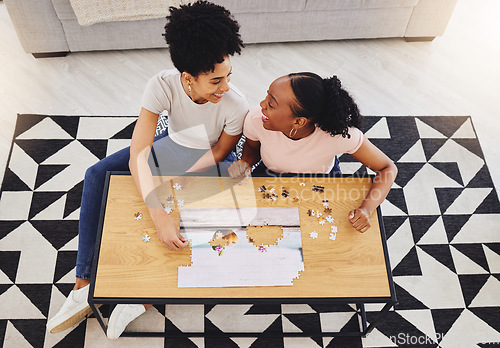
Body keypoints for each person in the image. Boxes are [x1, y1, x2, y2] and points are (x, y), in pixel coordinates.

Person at [47, 0, 248, 339]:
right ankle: (83, 283)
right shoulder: (162, 84)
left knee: (188, 210)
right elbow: (139, 153)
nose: (225, 86)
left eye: (229, 76)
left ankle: (143, 298)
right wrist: (158, 213)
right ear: (188, 78)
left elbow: (220, 152)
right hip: (175, 145)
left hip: (214, 159)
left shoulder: (235, 103)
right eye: (215, 80)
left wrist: (174, 179)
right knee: (98, 174)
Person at [228, 72, 397, 233]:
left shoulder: (338, 136)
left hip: (321, 180)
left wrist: (366, 210)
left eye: (271, 104)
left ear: (299, 121)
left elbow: (387, 168)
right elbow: (252, 148)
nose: (261, 105)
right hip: (269, 173)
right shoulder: (257, 118)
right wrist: (245, 162)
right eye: (267, 96)